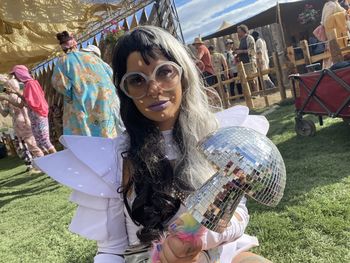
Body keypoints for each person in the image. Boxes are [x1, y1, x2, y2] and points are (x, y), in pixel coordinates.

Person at [35, 26, 272, 263]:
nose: (154, 89)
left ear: (183, 73)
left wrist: (200, 237)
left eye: (164, 72)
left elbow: (238, 211)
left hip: (222, 252)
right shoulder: (115, 159)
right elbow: (111, 250)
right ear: (124, 90)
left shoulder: (216, 137)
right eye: (137, 80)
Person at [52, 31, 123, 138]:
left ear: (62, 47)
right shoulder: (91, 56)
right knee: (107, 127)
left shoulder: (62, 62)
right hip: (105, 97)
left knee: (88, 129)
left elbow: (61, 85)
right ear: (75, 43)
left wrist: (70, 95)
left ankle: (93, 151)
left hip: (83, 100)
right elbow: (110, 73)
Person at [6, 65, 56, 154]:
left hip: (38, 114)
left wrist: (16, 93)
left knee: (45, 141)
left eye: (15, 74)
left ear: (20, 74)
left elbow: (32, 102)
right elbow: (25, 103)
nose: (15, 77)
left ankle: (58, 160)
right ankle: (51, 162)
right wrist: (14, 93)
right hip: (34, 115)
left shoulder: (31, 83)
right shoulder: (27, 85)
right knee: (39, 142)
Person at [0, 75, 44, 170]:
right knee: (23, 147)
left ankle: (43, 162)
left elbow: (22, 107)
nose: (5, 89)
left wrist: (27, 120)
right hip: (16, 125)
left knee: (32, 143)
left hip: (24, 123)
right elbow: (4, 114)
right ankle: (32, 164)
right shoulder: (8, 100)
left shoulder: (18, 96)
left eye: (6, 87)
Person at [321, 0, 348, 67]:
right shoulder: (330, 5)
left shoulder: (335, 3)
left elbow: (343, 12)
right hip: (334, 34)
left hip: (340, 33)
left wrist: (345, 13)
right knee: (334, 54)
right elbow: (326, 22)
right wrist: (342, 15)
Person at [236, 25, 258, 92]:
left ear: (243, 31)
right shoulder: (242, 40)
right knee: (247, 79)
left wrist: (241, 51)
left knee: (253, 78)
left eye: (239, 31)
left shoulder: (249, 38)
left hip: (250, 61)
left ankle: (256, 93)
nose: (238, 33)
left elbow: (252, 50)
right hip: (244, 63)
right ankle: (251, 94)